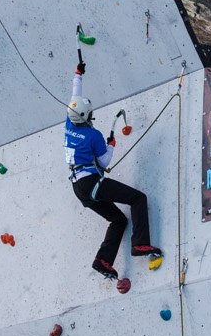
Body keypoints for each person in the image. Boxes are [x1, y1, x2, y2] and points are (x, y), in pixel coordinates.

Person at [65, 63, 162, 281]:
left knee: (118, 221)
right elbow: (105, 160)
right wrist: (111, 144)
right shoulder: (93, 135)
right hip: (92, 183)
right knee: (138, 198)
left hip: (78, 188)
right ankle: (139, 244)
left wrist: (77, 75)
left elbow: (74, 96)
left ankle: (103, 261)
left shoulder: (69, 124)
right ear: (87, 115)